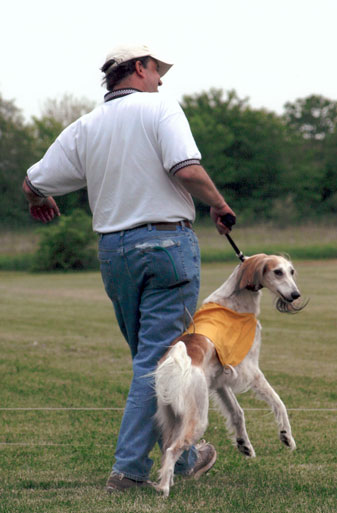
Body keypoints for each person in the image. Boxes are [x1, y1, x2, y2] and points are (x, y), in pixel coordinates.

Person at [22, 44, 236, 492]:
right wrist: (218, 205)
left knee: (154, 362)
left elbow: (33, 180)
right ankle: (128, 470)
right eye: (157, 70)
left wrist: (38, 200)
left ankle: (184, 458)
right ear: (139, 68)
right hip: (165, 245)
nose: (161, 80)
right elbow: (187, 169)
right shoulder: (160, 107)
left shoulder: (85, 126)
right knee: (158, 362)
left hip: (114, 254)